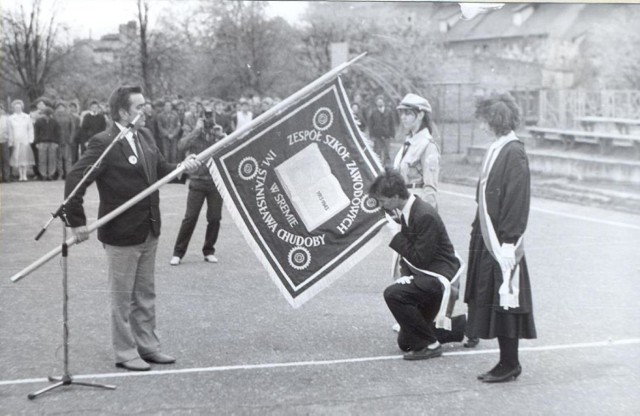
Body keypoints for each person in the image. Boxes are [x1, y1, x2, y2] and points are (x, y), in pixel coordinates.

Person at [64, 85, 200, 372]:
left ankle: (148, 347)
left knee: (145, 295)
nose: (145, 111)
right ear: (124, 112)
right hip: (122, 233)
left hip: (149, 227)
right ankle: (125, 352)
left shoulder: (145, 135)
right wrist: (76, 222)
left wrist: (184, 167)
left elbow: (161, 169)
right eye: (139, 107)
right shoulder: (105, 142)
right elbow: (76, 178)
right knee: (122, 297)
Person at [464, 93, 536, 383]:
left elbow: (516, 200)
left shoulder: (513, 152)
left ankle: (510, 363)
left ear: (494, 120)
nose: (481, 125)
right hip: (487, 236)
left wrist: (509, 241)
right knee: (493, 298)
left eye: (484, 119)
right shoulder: (497, 148)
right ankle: (505, 361)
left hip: (503, 241)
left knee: (507, 299)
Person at [369, 169, 464, 361]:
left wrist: (397, 235)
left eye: (383, 200)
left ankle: (431, 346)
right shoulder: (408, 210)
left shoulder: (424, 215)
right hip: (427, 274)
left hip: (439, 277)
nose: (382, 204)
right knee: (406, 343)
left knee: (393, 294)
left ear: (395, 196)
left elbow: (420, 258)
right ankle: (463, 327)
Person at [170, 108, 225, 266]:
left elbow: (229, 147)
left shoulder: (217, 132)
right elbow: (181, 145)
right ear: (200, 117)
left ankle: (209, 250)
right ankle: (178, 253)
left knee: (214, 218)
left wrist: (222, 136)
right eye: (206, 116)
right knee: (190, 217)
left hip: (214, 181)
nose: (209, 119)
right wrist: (197, 129)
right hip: (197, 180)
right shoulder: (194, 131)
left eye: (211, 115)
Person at [392, 93, 440, 210]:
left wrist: (427, 217)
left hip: (417, 206)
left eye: (408, 113)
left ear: (420, 115)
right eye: (402, 113)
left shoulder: (427, 145)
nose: (403, 117)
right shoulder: (409, 142)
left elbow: (430, 186)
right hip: (403, 205)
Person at [7, 100, 35, 181]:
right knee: (18, 158)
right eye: (16, 107)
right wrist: (11, 141)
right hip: (16, 140)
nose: (17, 109)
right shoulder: (11, 118)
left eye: (19, 107)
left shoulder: (27, 117)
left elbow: (30, 129)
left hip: (25, 139)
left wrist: (30, 139)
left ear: (22, 108)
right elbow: (10, 130)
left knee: (25, 157)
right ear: (14, 108)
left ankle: (25, 175)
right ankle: (20, 175)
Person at [367, 95, 396, 167]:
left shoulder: (388, 111)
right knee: (377, 152)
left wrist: (392, 134)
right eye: (378, 102)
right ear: (376, 103)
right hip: (377, 135)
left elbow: (392, 123)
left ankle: (387, 167)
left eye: (381, 101)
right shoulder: (374, 112)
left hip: (387, 135)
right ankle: (377, 166)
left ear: (384, 102)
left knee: (387, 152)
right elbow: (370, 125)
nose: (379, 103)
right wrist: (371, 135)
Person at [34, 107, 61, 180]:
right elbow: (36, 132)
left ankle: (51, 174)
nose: (47, 116)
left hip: (52, 142)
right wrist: (37, 142)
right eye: (46, 115)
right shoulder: (38, 121)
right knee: (42, 159)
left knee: (52, 159)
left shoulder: (55, 122)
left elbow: (58, 133)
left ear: (51, 115)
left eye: (49, 115)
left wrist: (57, 142)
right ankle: (43, 174)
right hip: (42, 142)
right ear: (43, 114)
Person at [53, 102, 75, 180]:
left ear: (64, 108)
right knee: (58, 158)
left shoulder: (69, 116)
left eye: (62, 107)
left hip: (67, 140)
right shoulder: (54, 116)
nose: (60, 109)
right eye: (58, 108)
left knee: (67, 158)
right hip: (57, 140)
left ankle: (68, 174)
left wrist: (71, 138)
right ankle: (60, 174)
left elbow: (72, 128)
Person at [0, 104, 11, 182]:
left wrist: (9, 138)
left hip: (4, 141)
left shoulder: (6, 119)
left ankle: (6, 177)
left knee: (6, 159)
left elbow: (10, 130)